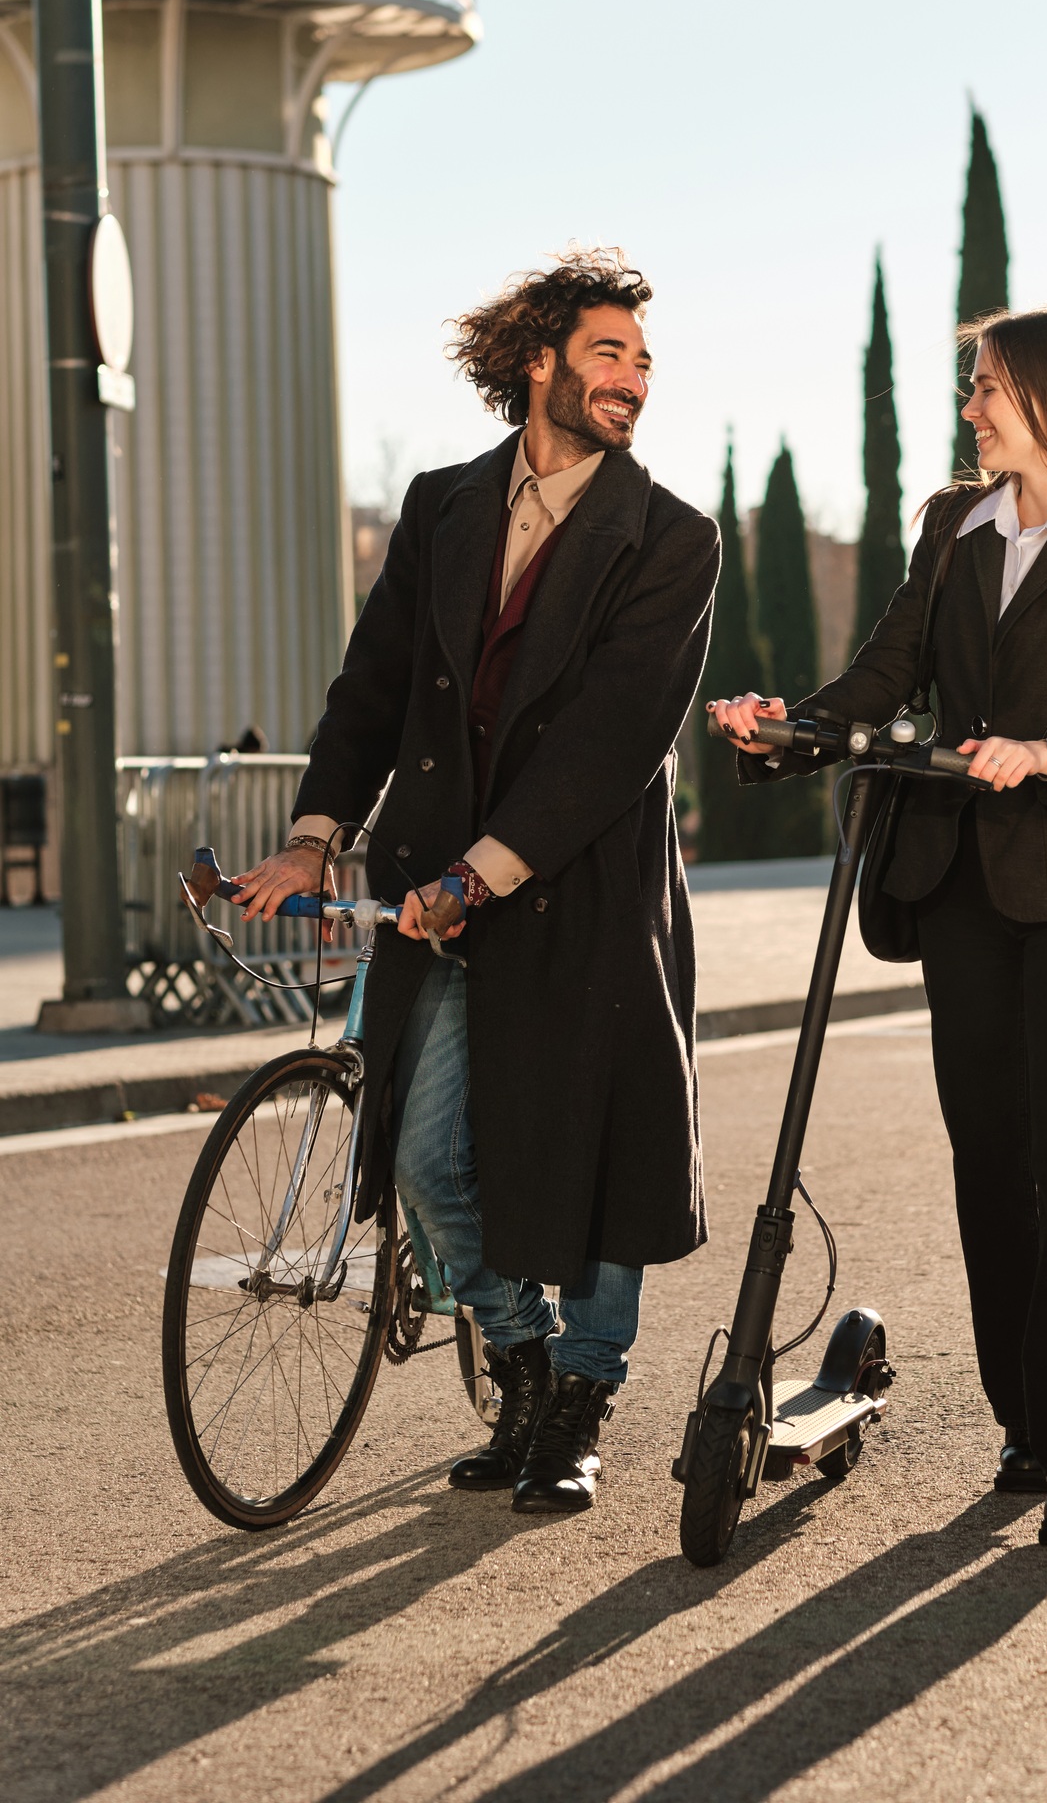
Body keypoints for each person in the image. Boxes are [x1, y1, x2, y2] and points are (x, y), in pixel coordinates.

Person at [235, 247, 720, 1515]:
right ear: (537, 363)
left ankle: (581, 1398)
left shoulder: (671, 538)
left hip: (579, 885)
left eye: (644, 358)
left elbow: (621, 733)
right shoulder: (443, 505)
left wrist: (483, 870)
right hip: (427, 882)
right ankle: (517, 1358)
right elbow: (373, 684)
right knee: (421, 1149)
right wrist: (315, 832)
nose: (633, 377)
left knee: (603, 1147)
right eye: (608, 352)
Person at [712, 306, 1047, 1548]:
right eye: (970, 387)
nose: (970, 408)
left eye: (984, 386)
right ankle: (1027, 1423)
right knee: (991, 1163)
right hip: (963, 891)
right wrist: (793, 726)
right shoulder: (951, 526)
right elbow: (887, 672)